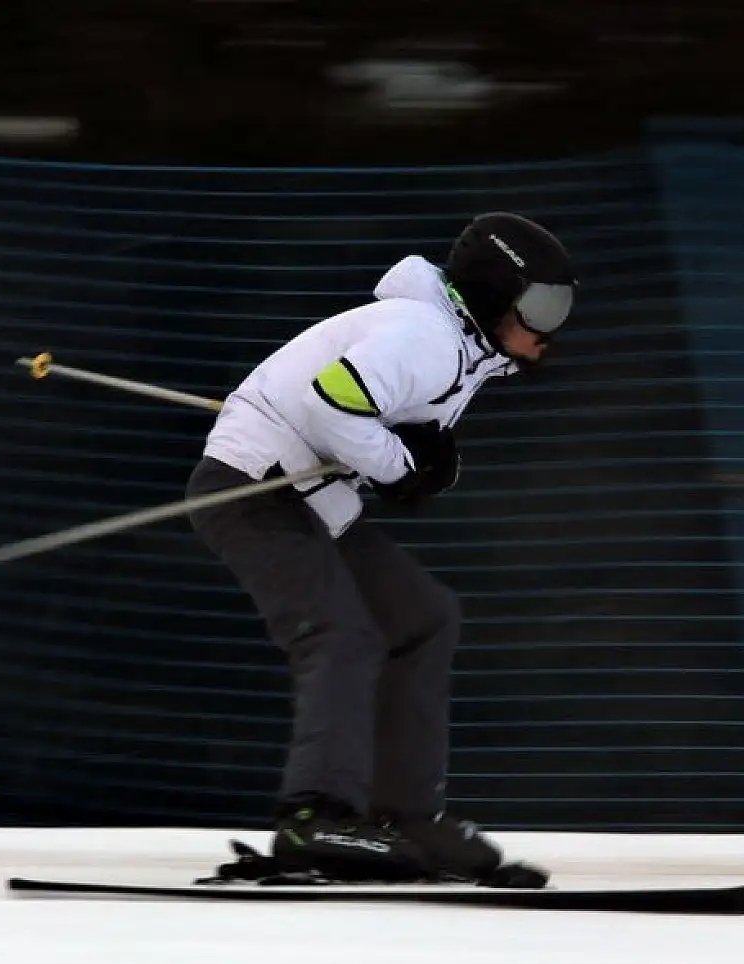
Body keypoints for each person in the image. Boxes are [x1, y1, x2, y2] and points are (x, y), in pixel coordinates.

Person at [184, 212, 577, 883]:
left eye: (560, 308)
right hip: (253, 483)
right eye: (540, 306)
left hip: (311, 496)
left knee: (422, 618)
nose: (548, 330)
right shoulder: (423, 335)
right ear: (492, 293)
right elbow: (329, 405)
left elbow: (376, 423)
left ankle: (405, 817)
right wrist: (402, 466)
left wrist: (423, 458)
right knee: (342, 634)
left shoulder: (462, 348)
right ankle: (316, 819)